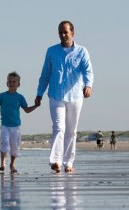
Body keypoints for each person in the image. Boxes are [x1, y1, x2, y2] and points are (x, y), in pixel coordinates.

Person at [35, 20, 94, 173]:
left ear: (72, 33)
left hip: (75, 96)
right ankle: (55, 161)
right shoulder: (52, 51)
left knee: (71, 131)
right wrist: (39, 93)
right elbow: (45, 74)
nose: (62, 35)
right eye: (60, 32)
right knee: (59, 127)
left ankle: (68, 163)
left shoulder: (82, 51)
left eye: (65, 32)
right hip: (56, 95)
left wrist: (88, 85)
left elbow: (88, 71)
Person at [0, 72, 37, 173]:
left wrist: (36, 105)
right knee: (4, 142)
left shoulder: (20, 97)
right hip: (4, 125)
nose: (12, 83)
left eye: (14, 81)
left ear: (18, 84)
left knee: (14, 147)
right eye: (10, 81)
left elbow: (27, 110)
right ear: (7, 83)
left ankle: (12, 165)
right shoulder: (2, 96)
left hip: (16, 126)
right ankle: (3, 163)